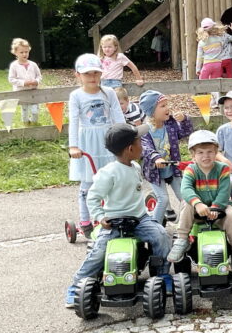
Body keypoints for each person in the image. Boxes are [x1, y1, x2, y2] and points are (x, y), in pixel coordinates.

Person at [64, 123, 172, 308]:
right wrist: (100, 217)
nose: (142, 146)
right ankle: (77, 285)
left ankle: (162, 274)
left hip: (139, 219)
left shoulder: (135, 167)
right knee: (98, 252)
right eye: (140, 142)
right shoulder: (108, 173)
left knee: (161, 235)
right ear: (130, 149)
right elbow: (93, 197)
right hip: (113, 222)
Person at [168, 130, 232, 266]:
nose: (205, 156)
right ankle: (182, 239)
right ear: (193, 155)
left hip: (220, 207)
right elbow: (186, 189)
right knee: (187, 205)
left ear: (216, 152)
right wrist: (197, 203)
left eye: (210, 152)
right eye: (200, 152)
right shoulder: (191, 169)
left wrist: (216, 207)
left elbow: (224, 192)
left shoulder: (222, 169)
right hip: (197, 210)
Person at [68, 54, 126, 236]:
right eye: (87, 74)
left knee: (113, 180)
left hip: (108, 140)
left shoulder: (108, 92)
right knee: (88, 184)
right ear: (78, 75)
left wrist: (124, 137)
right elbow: (74, 121)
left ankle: (113, 216)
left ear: (101, 73)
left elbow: (117, 115)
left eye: (96, 73)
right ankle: (86, 220)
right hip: (87, 142)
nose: (92, 77)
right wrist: (73, 146)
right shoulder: (76, 95)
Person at [139, 90, 193, 224]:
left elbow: (185, 132)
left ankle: (187, 224)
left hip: (172, 167)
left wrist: (184, 120)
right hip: (154, 171)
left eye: (167, 105)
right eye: (162, 106)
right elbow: (145, 147)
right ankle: (155, 227)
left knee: (185, 197)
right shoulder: (146, 129)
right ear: (152, 111)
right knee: (163, 199)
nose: (167, 108)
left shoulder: (171, 124)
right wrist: (156, 157)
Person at [8, 37, 42, 126]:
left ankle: (34, 123)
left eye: (26, 52)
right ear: (15, 53)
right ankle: (26, 124)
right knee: (25, 110)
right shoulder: (14, 65)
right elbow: (11, 79)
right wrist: (23, 83)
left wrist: (36, 81)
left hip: (33, 92)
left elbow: (39, 76)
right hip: (21, 92)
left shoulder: (33, 64)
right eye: (21, 52)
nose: (24, 54)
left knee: (35, 111)